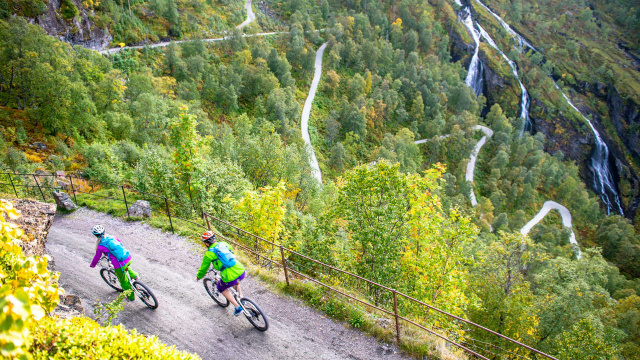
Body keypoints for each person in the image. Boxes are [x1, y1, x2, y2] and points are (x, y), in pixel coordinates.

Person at [196, 231, 246, 316]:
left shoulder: (208, 254)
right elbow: (230, 249)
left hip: (228, 275)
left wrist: (199, 276)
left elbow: (204, 268)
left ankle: (238, 307)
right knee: (236, 280)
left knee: (220, 287)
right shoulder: (223, 243)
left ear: (206, 243)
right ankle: (241, 298)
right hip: (240, 269)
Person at [89, 224, 138, 301]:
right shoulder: (112, 237)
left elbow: (97, 257)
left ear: (96, 235)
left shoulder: (100, 246)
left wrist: (93, 265)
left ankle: (130, 297)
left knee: (123, 281)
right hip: (128, 257)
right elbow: (119, 243)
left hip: (119, 264)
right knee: (127, 267)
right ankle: (135, 276)